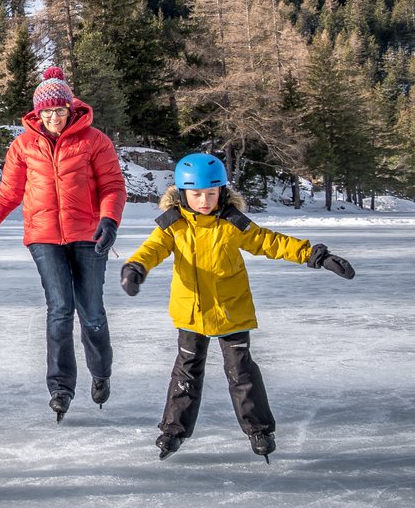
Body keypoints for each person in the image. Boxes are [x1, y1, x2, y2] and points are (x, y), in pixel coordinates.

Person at [120, 151, 355, 462]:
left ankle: (259, 429)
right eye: (196, 194)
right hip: (191, 312)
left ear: (223, 192)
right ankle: (173, 430)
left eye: (211, 193)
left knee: (242, 372)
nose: (204, 200)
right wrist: (135, 267)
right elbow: (151, 250)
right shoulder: (173, 226)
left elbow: (271, 242)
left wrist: (315, 255)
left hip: (231, 311)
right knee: (186, 373)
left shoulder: (233, 223)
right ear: (181, 194)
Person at [0, 66, 126, 421]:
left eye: (59, 111)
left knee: (91, 312)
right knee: (59, 309)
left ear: (71, 108)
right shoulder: (24, 145)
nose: (54, 118)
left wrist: (110, 219)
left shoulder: (94, 140)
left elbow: (113, 186)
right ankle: (60, 386)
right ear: (36, 113)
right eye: (47, 112)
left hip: (90, 236)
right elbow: (9, 193)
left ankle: (101, 371)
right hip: (44, 237)